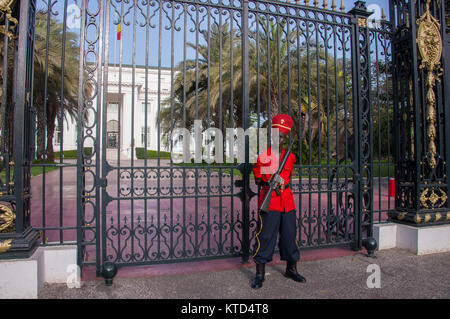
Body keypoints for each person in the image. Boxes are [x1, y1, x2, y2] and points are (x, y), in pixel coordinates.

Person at [251, 113, 306, 289]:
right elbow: (257, 180)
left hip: (287, 202)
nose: (279, 140)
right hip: (270, 201)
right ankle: (260, 274)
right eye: (276, 136)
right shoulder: (262, 157)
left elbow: (288, 177)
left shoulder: (290, 156)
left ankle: (291, 269)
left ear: (285, 138)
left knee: (290, 236)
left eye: (282, 137)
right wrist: (268, 180)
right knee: (265, 237)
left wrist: (281, 181)